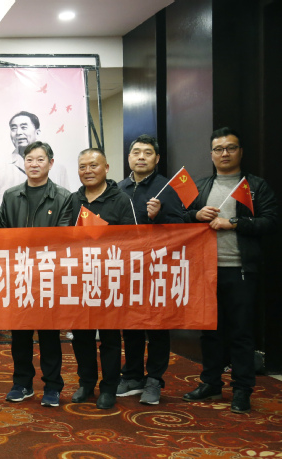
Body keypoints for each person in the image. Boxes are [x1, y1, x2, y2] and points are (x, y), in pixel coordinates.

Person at [181, 127, 278, 414]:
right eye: (219, 149)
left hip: (240, 270)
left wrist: (234, 223)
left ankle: (242, 390)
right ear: (211, 154)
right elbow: (180, 218)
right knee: (209, 332)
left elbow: (271, 221)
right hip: (205, 271)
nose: (225, 153)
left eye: (230, 148)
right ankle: (210, 383)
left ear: (240, 152)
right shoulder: (201, 186)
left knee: (241, 333)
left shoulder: (255, 186)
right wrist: (195, 214)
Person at [0, 141, 73, 407]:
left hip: (48, 275)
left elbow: (62, 238)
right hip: (19, 275)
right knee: (20, 335)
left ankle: (52, 386)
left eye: (40, 159)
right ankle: (22, 383)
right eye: (29, 159)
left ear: (50, 163)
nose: (34, 164)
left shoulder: (64, 197)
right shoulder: (10, 195)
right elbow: (3, 233)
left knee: (49, 335)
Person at [116, 135, 184, 405]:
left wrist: (158, 217)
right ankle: (132, 375)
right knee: (130, 325)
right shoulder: (118, 188)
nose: (141, 157)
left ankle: (154, 379)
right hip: (126, 269)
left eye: (147, 152)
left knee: (157, 326)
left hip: (157, 268)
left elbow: (182, 226)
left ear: (157, 158)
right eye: (136, 152)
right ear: (129, 158)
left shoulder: (166, 187)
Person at [69, 148, 135, 410]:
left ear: (106, 168)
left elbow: (131, 240)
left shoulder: (121, 199)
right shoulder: (72, 199)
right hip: (78, 278)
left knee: (109, 337)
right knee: (81, 336)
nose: (88, 171)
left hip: (110, 278)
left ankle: (108, 387)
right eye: (82, 166)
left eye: (93, 165)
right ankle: (86, 383)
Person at [0, 111, 70, 200]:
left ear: (37, 133)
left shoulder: (58, 169)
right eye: (13, 128)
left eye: (24, 127)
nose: (18, 132)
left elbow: (66, 202)